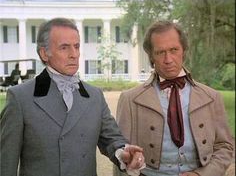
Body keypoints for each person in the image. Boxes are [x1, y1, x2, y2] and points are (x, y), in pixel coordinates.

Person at [0, 18, 145, 176]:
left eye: (76, 46)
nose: (74, 54)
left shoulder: (95, 95)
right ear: (44, 53)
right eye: (64, 47)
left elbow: (111, 139)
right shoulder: (20, 98)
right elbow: (5, 163)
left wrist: (124, 153)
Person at [115, 20, 234, 176]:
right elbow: (120, 155)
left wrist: (202, 174)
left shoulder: (211, 97)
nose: (168, 59)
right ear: (151, 56)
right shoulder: (129, 100)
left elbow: (225, 147)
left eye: (174, 50)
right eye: (160, 52)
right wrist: (128, 160)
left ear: (183, 50)